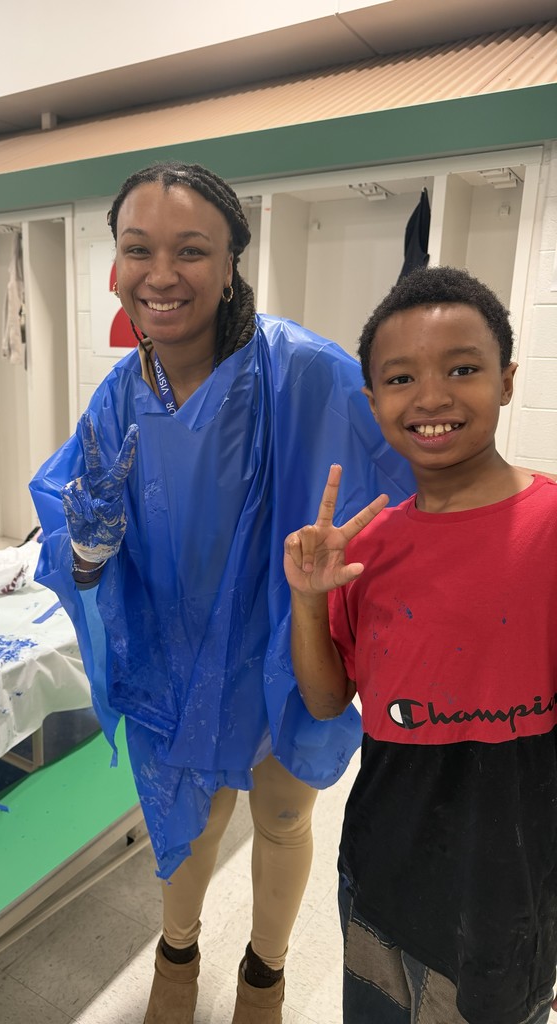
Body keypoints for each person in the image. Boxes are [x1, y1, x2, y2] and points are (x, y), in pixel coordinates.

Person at [30, 161, 416, 1023]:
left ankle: (266, 974)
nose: (161, 275)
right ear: (117, 265)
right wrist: (85, 546)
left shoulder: (304, 370)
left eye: (190, 250)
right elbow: (73, 528)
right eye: (139, 250)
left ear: (234, 259)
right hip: (172, 650)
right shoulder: (119, 396)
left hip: (281, 642)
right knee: (192, 817)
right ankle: (176, 956)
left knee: (279, 818)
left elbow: (394, 491)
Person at [284, 266, 557, 1024]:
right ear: (374, 404)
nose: (432, 397)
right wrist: (309, 602)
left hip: (516, 880)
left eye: (462, 369)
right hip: (385, 866)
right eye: (401, 378)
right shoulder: (367, 546)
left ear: (505, 381)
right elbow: (325, 697)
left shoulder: (550, 528)